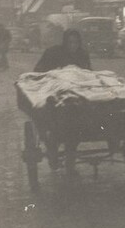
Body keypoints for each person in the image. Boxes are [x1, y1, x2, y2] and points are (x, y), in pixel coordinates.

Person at [31, 28, 93, 176]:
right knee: (55, 123)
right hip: (57, 92)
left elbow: (89, 73)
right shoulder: (53, 53)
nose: (73, 45)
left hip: (77, 94)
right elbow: (39, 70)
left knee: (76, 122)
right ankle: (53, 150)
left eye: (76, 42)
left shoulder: (82, 54)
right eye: (70, 42)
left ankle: (70, 158)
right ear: (65, 42)